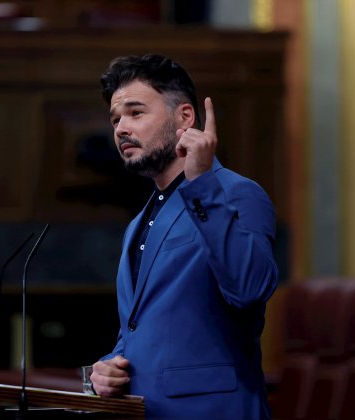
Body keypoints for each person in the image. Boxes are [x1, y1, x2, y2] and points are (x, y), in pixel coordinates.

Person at [89, 53, 279, 418]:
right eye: (115, 119)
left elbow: (250, 288)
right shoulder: (138, 222)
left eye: (136, 112)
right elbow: (142, 331)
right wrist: (110, 366)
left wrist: (202, 185)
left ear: (185, 118)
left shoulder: (237, 192)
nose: (121, 128)